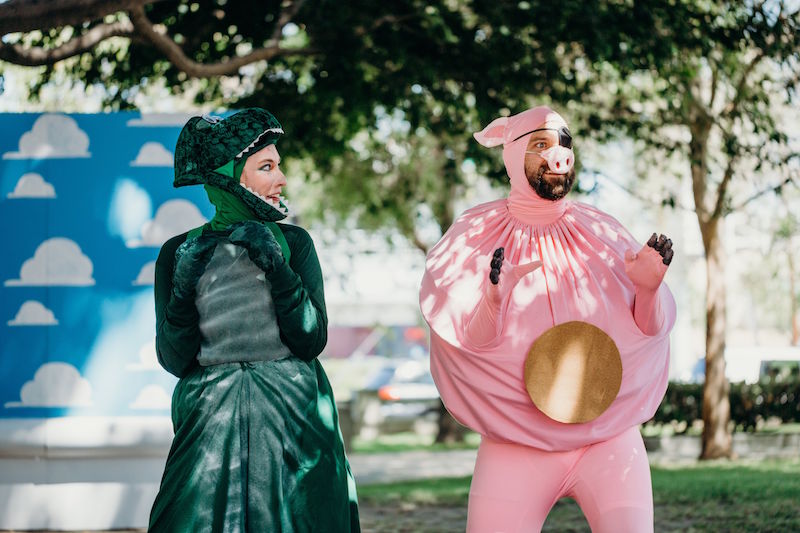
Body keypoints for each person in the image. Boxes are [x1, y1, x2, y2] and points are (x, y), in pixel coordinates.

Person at [419, 105, 675, 532]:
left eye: (563, 143)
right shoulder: (474, 236)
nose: (558, 154)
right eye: (540, 144)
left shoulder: (604, 232)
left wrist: (648, 290)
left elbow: (645, 334)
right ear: (513, 154)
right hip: (516, 445)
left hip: (608, 440)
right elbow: (466, 340)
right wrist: (494, 301)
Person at [148, 108, 360, 532]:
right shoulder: (178, 251)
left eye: (279, 166)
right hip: (209, 419)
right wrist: (183, 289)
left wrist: (278, 268)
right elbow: (175, 359)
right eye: (267, 167)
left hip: (294, 416)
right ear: (229, 178)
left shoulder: (293, 242)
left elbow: (310, 340)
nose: (281, 179)